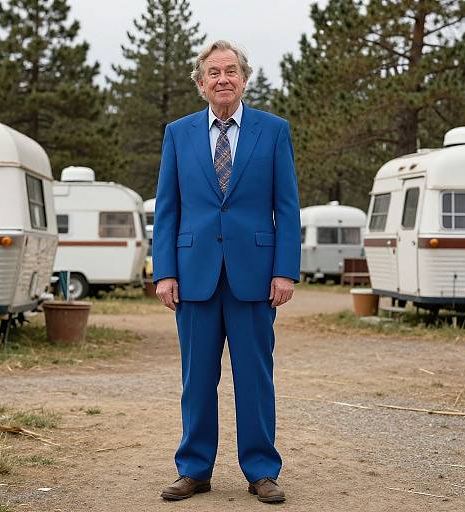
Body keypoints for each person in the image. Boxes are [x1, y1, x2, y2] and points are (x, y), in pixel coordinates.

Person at [153, 40, 301, 504]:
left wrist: (285, 271)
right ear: (201, 84)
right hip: (194, 275)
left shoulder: (274, 132)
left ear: (244, 78)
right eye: (213, 72)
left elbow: (287, 207)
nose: (223, 78)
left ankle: (261, 470)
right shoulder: (177, 134)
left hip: (255, 277)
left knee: (255, 377)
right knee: (197, 379)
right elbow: (167, 210)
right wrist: (164, 273)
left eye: (231, 70)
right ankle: (194, 469)